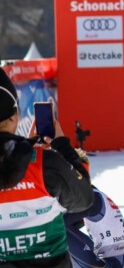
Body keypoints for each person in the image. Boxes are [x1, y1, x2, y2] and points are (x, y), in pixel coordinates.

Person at [0, 67, 94, 268]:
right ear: (14, 117)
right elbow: (84, 198)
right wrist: (61, 146)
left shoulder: (43, 162)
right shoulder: (45, 163)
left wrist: (22, 148)